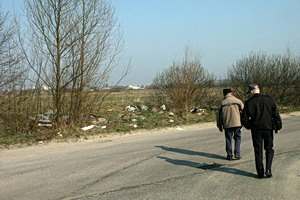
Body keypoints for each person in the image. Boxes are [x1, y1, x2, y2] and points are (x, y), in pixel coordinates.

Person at [241, 84, 282, 179]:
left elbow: (244, 118)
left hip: (256, 129)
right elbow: (276, 115)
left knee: (258, 151)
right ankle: (268, 170)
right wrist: (278, 127)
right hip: (268, 128)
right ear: (258, 89)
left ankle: (260, 172)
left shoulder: (249, 102)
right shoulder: (269, 100)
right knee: (269, 149)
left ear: (251, 91)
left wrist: (249, 126)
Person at [217, 88, 244, 161]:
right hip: (237, 123)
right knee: (237, 138)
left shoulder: (222, 103)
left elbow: (219, 116)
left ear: (224, 94)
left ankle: (229, 155)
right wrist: (244, 122)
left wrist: (219, 125)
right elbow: (244, 112)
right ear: (231, 93)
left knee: (228, 139)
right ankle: (237, 154)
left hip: (227, 124)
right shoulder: (238, 101)